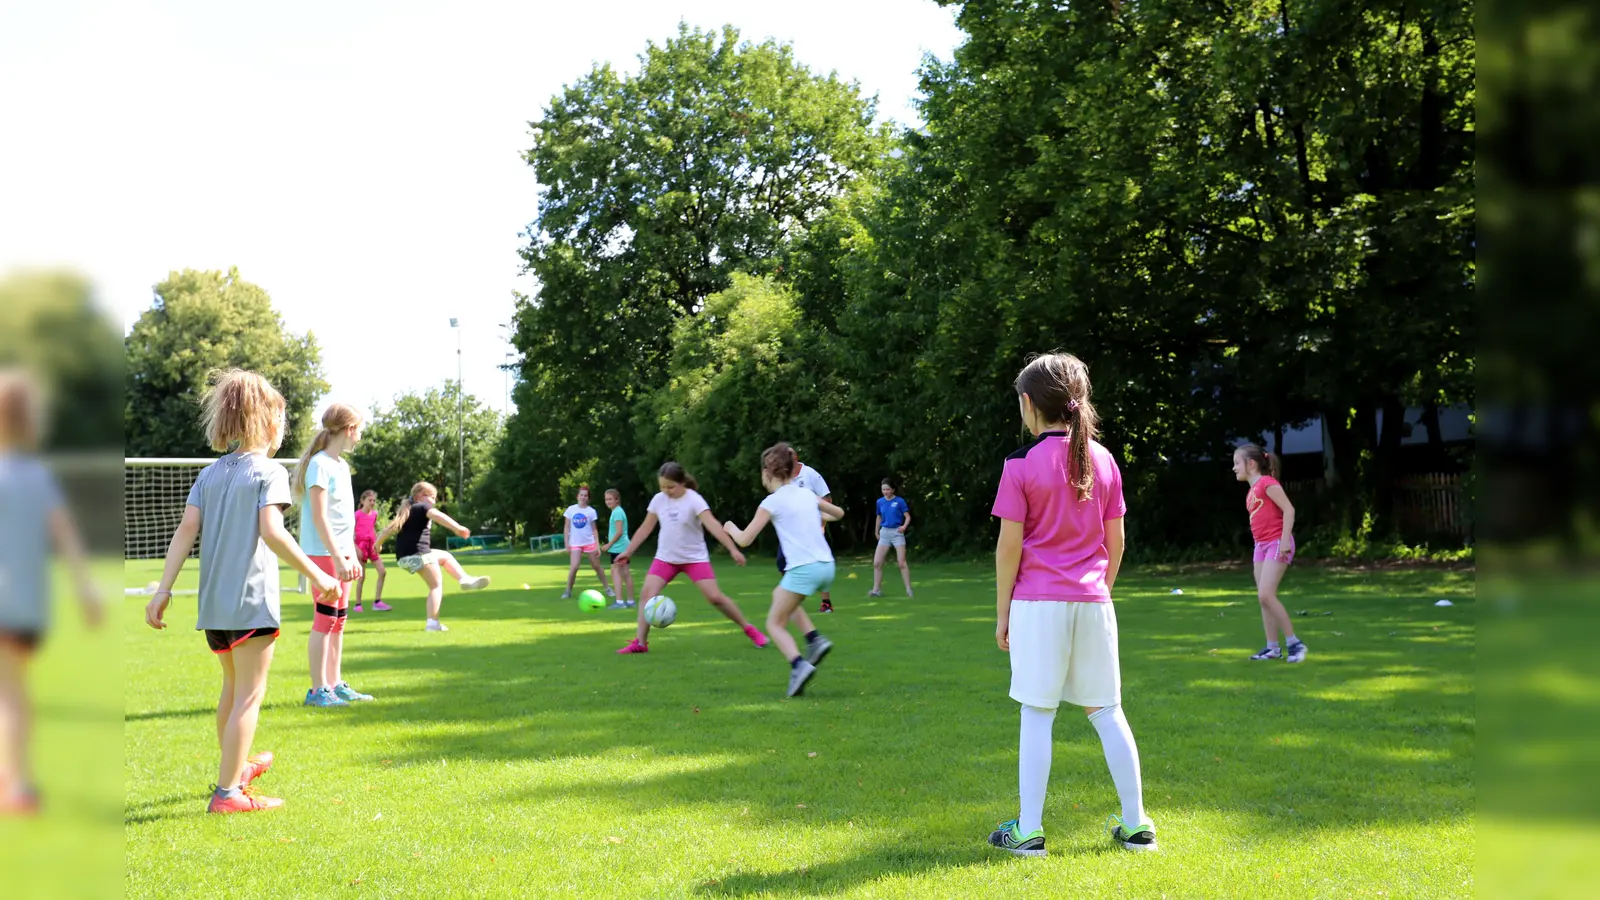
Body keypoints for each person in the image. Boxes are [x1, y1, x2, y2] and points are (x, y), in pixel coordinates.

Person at [144, 368, 341, 814]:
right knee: (249, 695)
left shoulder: (209, 474)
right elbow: (272, 531)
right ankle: (228, 793)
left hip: (214, 606)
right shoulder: (269, 471)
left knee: (232, 690)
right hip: (250, 602)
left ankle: (235, 768)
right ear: (268, 420)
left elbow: (185, 531)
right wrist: (319, 575)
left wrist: (163, 591)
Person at [987, 353, 1156, 856]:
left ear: (1028, 404)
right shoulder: (1104, 460)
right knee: (1107, 710)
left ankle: (1029, 831)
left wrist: (1003, 612)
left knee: (1037, 712)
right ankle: (1136, 825)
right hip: (1094, 601)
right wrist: (1100, 588)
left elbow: (1008, 548)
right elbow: (1116, 541)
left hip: (1038, 605)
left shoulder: (1019, 464)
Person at [0, 369, 103, 816]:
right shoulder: (37, 476)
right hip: (24, 605)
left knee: (8, 692)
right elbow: (65, 535)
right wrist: (86, 591)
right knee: (13, 691)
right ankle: (16, 783)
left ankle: (15, 783)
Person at [725, 442, 843, 697]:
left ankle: (799, 665)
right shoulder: (806, 494)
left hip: (804, 569)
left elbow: (745, 540)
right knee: (779, 595)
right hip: (826, 566)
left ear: (768, 472)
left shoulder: (772, 502)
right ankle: (814, 640)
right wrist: (816, 515)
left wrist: (729, 527)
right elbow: (838, 513)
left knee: (774, 623)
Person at [613, 462, 768, 654]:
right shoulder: (658, 500)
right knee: (647, 595)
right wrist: (628, 551)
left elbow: (713, 525)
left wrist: (733, 549)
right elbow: (646, 528)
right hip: (665, 558)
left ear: (682, 483)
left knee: (715, 597)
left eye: (671, 487)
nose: (666, 491)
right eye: (662, 487)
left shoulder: (694, 500)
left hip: (694, 559)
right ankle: (641, 643)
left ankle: (750, 630)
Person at [292, 402, 373, 707]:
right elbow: (320, 517)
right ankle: (317, 690)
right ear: (349, 429)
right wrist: (338, 557)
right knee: (324, 620)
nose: (360, 436)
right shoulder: (320, 464)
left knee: (338, 620)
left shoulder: (341, 466)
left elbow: (343, 518)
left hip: (341, 554)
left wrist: (351, 554)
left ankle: (335, 684)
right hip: (323, 554)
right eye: (359, 430)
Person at [375, 482, 491, 632]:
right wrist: (457, 528)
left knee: (445, 556)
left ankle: (464, 579)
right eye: (432, 498)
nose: (434, 502)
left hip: (403, 559)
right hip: (420, 555)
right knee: (436, 587)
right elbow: (437, 515)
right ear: (420, 496)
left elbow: (388, 530)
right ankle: (432, 623)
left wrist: (378, 545)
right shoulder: (422, 506)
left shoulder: (407, 510)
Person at [1233, 444, 1306, 663]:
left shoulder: (1267, 483)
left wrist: (1284, 540)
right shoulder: (1251, 492)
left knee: (1266, 595)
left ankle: (1295, 644)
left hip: (1277, 543)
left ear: (1251, 464)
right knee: (1263, 598)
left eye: (1237, 463)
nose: (1234, 468)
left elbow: (1289, 510)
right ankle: (1272, 648)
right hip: (1261, 546)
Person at [782, 456, 837, 613]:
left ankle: (826, 602)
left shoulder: (810, 474)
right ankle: (792, 598)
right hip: (792, 531)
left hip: (812, 529)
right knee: (783, 561)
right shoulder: (784, 476)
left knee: (820, 560)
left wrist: (822, 524)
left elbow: (827, 499)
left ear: (795, 459)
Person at [561, 485, 611, 600]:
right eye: (581, 495)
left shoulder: (591, 511)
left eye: (585, 495)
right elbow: (566, 527)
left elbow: (594, 529)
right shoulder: (571, 510)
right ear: (577, 496)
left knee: (596, 566)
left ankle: (608, 588)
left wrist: (597, 545)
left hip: (589, 542)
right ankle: (568, 591)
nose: (583, 497)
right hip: (575, 543)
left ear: (588, 498)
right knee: (574, 566)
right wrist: (566, 543)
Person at [870, 479, 914, 598]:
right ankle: (876, 590)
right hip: (884, 532)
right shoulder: (880, 502)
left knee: (901, 562)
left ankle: (909, 589)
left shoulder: (899, 501)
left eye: (888, 489)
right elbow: (879, 517)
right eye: (883, 489)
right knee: (877, 563)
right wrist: (876, 531)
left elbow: (907, 517)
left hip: (897, 533)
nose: (885, 492)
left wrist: (904, 527)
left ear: (893, 490)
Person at [351, 490, 391, 613]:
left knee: (382, 572)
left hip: (372, 546)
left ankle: (377, 602)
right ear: (362, 501)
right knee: (361, 577)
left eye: (374, 500)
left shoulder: (374, 514)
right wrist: (356, 548)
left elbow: (372, 529)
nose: (372, 503)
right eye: (370, 500)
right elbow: (349, 533)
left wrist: (379, 543)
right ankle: (358, 604)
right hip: (360, 546)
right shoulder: (356, 515)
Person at [601, 488, 635, 609]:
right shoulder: (617, 511)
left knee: (615, 572)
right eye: (606, 499)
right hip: (621, 547)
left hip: (619, 548)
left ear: (617, 499)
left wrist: (609, 544)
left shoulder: (617, 512)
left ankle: (620, 602)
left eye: (610, 499)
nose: (608, 501)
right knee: (625, 573)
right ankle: (630, 601)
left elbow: (619, 531)